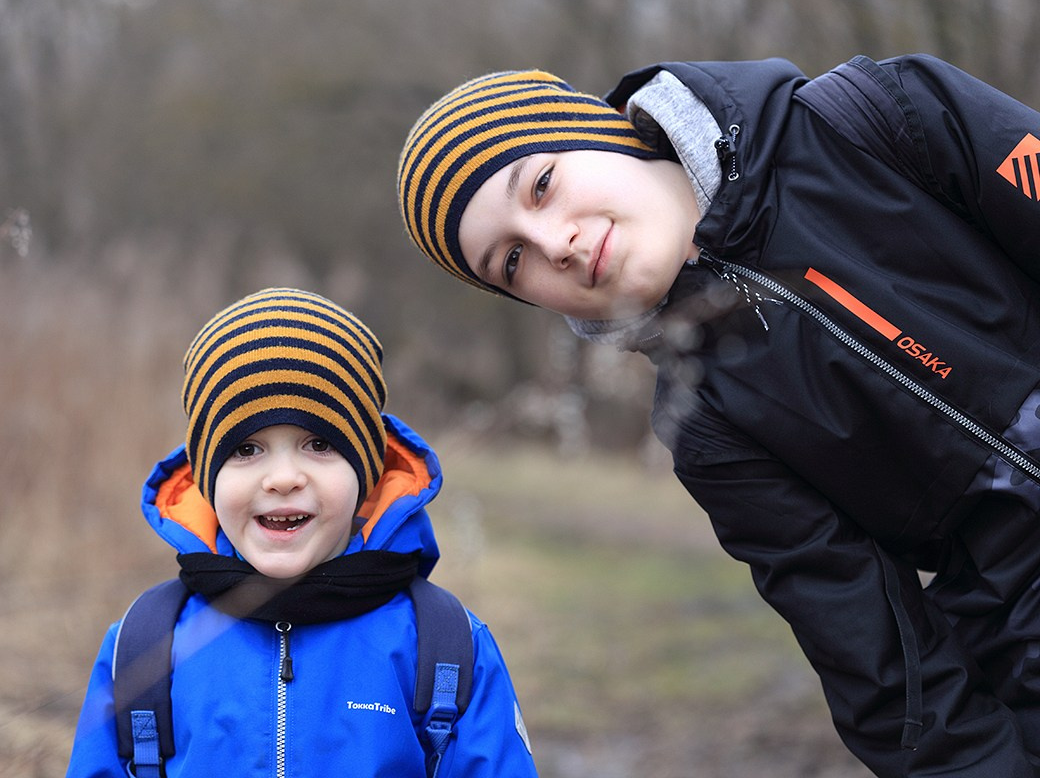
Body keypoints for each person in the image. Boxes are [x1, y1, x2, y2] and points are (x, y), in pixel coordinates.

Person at [397, 56, 1040, 777]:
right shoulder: (708, 429)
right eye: (512, 262)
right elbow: (888, 674)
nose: (555, 245)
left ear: (603, 133)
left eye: (543, 186)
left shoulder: (877, 113)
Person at [66, 287, 538, 777]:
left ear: (366, 471)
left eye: (318, 443)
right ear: (207, 479)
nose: (283, 477)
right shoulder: (144, 649)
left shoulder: (444, 648)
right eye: (246, 450)